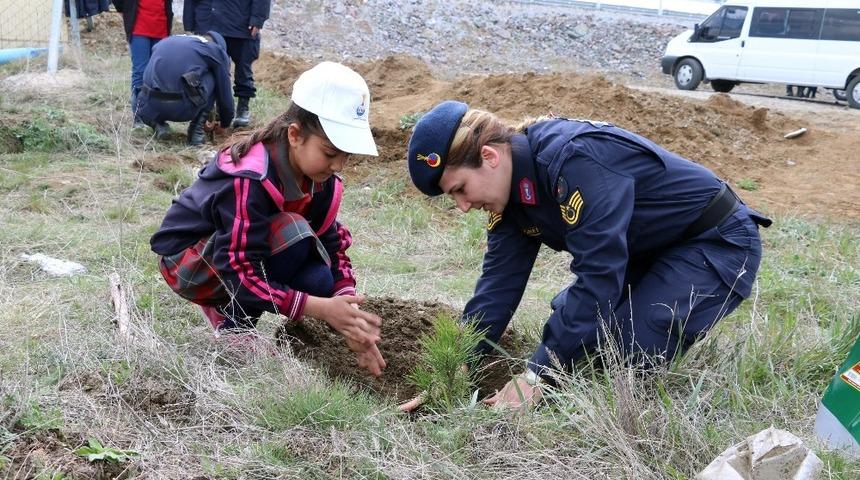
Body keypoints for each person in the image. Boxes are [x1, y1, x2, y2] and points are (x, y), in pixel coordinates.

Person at [400, 101, 771, 411]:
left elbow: (598, 276)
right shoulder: (509, 201)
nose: (464, 206)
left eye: (461, 189)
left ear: (489, 156)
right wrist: (457, 367)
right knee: (579, 334)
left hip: (715, 241)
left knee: (626, 353)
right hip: (647, 253)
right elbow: (497, 287)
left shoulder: (573, 158)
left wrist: (535, 376)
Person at [150, 62, 385, 376]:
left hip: (238, 254)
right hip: (188, 262)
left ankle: (236, 313)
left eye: (347, 155)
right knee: (294, 231)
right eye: (330, 153)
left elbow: (333, 246)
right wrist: (322, 309)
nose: (338, 165)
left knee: (320, 280)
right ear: (295, 135)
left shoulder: (322, 182)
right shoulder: (251, 178)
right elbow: (239, 267)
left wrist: (349, 313)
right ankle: (234, 326)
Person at [135, 32, 234, 145]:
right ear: (219, 46)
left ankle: (158, 125)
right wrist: (225, 122)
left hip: (147, 108)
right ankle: (196, 132)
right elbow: (225, 94)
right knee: (215, 76)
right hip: (182, 108)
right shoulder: (214, 50)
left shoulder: (167, 40)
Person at [183, 0, 270, 128]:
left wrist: (257, 19)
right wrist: (189, 21)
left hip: (240, 22)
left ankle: (242, 107)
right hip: (208, 21)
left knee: (243, 69)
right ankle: (213, 109)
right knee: (210, 70)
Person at [111, 0, 173, 128]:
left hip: (161, 27)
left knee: (159, 74)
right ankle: (139, 117)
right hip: (139, 28)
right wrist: (125, 10)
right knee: (140, 72)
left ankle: (158, 117)